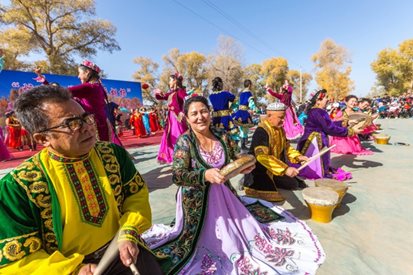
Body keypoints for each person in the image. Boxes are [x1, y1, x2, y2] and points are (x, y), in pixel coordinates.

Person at [142, 96, 325, 274]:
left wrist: (245, 166)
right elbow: (178, 175)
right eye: (194, 114)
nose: (200, 117)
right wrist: (204, 175)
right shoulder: (185, 141)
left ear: (210, 113)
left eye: (204, 111)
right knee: (204, 244)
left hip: (224, 193)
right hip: (196, 199)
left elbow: (237, 159)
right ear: (187, 118)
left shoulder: (222, 135)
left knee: (244, 235)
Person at [0, 85, 162, 274]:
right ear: (43, 138)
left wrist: (129, 231)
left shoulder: (113, 155)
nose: (86, 128)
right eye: (71, 123)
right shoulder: (18, 186)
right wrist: (74, 269)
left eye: (86, 118)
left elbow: (136, 197)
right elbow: (18, 260)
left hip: (124, 248)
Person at [35, 61, 117, 145]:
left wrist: (44, 81)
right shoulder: (98, 86)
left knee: (95, 150)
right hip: (101, 122)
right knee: (104, 150)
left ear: (87, 72)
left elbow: (60, 92)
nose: (78, 76)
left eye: (79, 73)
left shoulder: (88, 87)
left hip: (94, 125)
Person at [244, 101, 309, 202]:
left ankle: (275, 179)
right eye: (280, 117)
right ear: (269, 116)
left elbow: (286, 147)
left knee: (295, 184)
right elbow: (262, 157)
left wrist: (298, 157)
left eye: (284, 117)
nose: (283, 121)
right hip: (261, 169)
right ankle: (250, 183)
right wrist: (285, 169)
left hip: (277, 168)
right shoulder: (261, 131)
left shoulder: (280, 129)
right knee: (276, 198)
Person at [296, 89, 359, 180]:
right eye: (326, 98)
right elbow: (329, 128)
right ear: (318, 101)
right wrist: (350, 132)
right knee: (316, 167)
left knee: (313, 164)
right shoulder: (319, 111)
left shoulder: (315, 111)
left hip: (312, 140)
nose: (328, 100)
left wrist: (347, 122)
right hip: (315, 143)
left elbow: (328, 125)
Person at [155, 73, 188, 163]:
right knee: (169, 136)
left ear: (175, 81)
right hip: (170, 118)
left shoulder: (180, 91)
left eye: (170, 80)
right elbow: (160, 97)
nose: (169, 82)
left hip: (177, 118)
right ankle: (173, 156)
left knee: (178, 135)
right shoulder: (170, 93)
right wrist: (158, 93)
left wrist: (182, 112)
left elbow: (186, 99)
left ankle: (183, 155)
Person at [232, 79, 257, 150]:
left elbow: (237, 103)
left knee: (241, 129)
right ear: (249, 85)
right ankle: (242, 146)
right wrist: (255, 109)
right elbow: (251, 103)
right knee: (244, 130)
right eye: (251, 84)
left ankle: (240, 145)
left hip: (239, 112)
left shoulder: (241, 93)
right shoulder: (249, 93)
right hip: (244, 113)